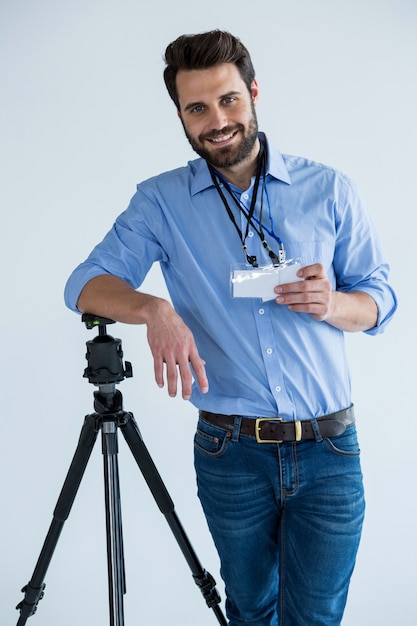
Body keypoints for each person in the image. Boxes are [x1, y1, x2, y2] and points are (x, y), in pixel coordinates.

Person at [64, 30, 397, 626]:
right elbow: (85, 284)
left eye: (228, 101)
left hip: (328, 449)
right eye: (197, 109)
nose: (216, 121)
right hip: (230, 452)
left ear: (253, 94)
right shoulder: (161, 202)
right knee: (249, 611)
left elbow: (381, 300)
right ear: (181, 116)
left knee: (316, 617)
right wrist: (153, 310)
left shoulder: (329, 190)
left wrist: (333, 303)